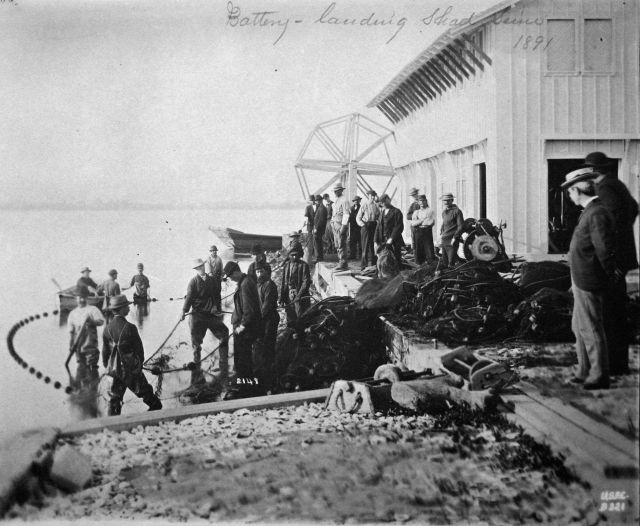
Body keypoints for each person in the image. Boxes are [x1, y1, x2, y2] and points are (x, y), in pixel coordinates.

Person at [563, 168, 620, 390]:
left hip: (589, 279)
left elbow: (604, 248)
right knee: (579, 326)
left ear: (578, 190)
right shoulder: (590, 211)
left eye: (570, 191)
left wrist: (608, 274)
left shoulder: (596, 213)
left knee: (591, 327)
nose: (569, 195)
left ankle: (599, 374)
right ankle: (584, 370)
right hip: (580, 278)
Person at [584, 152, 639, 375]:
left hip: (613, 259)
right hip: (623, 256)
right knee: (617, 309)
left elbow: (609, 222)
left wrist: (610, 248)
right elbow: (634, 208)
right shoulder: (617, 184)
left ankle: (614, 365)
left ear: (594, 171)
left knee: (610, 312)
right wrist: (626, 232)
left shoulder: (605, 188)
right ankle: (619, 363)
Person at [102, 294, 162, 415]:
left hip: (114, 371)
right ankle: (149, 420)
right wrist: (138, 365)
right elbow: (139, 351)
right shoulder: (130, 327)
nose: (129, 308)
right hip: (131, 370)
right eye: (126, 306)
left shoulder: (106, 329)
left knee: (114, 402)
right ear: (121, 309)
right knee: (153, 401)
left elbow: (105, 354)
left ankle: (113, 425)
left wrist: (109, 367)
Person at [182, 258, 229, 385]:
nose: (201, 269)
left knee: (224, 334)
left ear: (204, 266)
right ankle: (197, 372)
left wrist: (217, 308)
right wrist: (184, 311)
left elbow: (216, 295)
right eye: (198, 268)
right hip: (198, 316)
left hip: (211, 315)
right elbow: (189, 297)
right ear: (196, 270)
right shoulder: (193, 282)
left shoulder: (212, 280)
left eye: (202, 266)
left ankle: (224, 365)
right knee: (196, 344)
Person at [224, 261, 262, 397]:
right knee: (241, 360)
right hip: (243, 327)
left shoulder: (245, 284)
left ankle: (246, 390)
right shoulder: (244, 282)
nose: (230, 278)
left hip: (245, 330)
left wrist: (242, 326)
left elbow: (249, 310)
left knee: (243, 360)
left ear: (236, 272)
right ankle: (245, 386)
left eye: (230, 276)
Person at [67, 285, 105, 389]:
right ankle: (81, 392)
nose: (82, 299)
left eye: (84, 297)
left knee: (92, 371)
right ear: (76, 298)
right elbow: (71, 332)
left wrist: (92, 321)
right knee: (80, 370)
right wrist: (71, 346)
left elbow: (101, 322)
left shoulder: (92, 310)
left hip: (90, 347)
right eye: (79, 297)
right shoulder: (73, 314)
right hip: (78, 348)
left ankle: (91, 395)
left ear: (87, 297)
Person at [255, 261, 279, 394]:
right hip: (262, 319)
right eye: (257, 272)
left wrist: (257, 319)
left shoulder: (270, 285)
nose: (259, 274)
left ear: (266, 272)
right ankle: (264, 371)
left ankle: (269, 375)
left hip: (269, 319)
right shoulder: (258, 285)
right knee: (262, 345)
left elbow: (267, 306)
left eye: (261, 271)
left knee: (268, 345)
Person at [280, 242, 311, 325]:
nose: (294, 257)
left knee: (301, 318)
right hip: (288, 296)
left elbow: (306, 282)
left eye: (296, 255)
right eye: (292, 255)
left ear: (300, 254)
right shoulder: (286, 266)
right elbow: (284, 283)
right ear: (289, 255)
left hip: (300, 296)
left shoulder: (304, 266)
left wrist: (298, 296)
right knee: (290, 317)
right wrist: (282, 298)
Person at [375, 193, 404, 266]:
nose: (383, 204)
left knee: (395, 259)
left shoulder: (396, 212)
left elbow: (399, 227)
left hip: (394, 241)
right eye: (381, 203)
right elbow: (378, 226)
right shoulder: (382, 212)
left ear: (388, 200)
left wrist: (391, 239)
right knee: (384, 260)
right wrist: (375, 240)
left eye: (384, 202)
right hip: (383, 240)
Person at [356, 189, 380, 270]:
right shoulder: (364, 205)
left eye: (374, 196)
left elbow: (379, 216)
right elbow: (358, 218)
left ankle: (374, 265)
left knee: (373, 246)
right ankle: (364, 266)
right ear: (368, 196)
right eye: (371, 196)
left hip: (373, 226)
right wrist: (363, 225)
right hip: (366, 227)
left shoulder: (376, 205)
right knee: (365, 246)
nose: (373, 197)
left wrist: (376, 222)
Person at [439, 193, 464, 269]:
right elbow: (443, 225)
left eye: (447, 200)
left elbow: (461, 226)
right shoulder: (444, 212)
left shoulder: (457, 211)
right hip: (444, 240)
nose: (446, 202)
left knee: (451, 262)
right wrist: (441, 235)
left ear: (452, 200)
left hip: (452, 240)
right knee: (445, 261)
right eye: (444, 201)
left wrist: (455, 237)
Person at [330, 182, 351, 270]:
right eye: (334, 191)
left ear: (341, 191)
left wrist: (343, 226)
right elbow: (334, 212)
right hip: (335, 224)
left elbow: (346, 214)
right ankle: (341, 262)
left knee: (342, 244)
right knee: (337, 244)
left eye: (336, 191)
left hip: (340, 225)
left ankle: (343, 264)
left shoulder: (344, 200)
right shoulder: (336, 200)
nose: (335, 193)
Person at [411, 195, 436, 264]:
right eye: (420, 201)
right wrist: (422, 220)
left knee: (429, 252)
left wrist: (418, 221)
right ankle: (420, 267)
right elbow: (413, 223)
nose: (422, 202)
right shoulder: (416, 212)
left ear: (426, 201)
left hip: (427, 232)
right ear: (418, 202)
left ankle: (430, 267)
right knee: (419, 252)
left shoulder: (430, 210)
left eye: (423, 201)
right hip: (418, 233)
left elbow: (430, 222)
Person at [313, 194, 327, 263]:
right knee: (318, 243)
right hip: (318, 229)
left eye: (318, 200)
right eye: (316, 200)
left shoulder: (322, 208)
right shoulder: (319, 207)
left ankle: (319, 258)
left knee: (318, 243)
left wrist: (316, 228)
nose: (317, 202)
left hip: (319, 229)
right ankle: (319, 257)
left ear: (321, 200)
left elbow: (321, 220)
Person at [406, 187, 420, 254]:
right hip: (414, 226)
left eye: (415, 195)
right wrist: (415, 215)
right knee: (414, 243)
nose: (414, 197)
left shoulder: (423, 203)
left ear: (417, 194)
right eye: (412, 196)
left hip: (421, 226)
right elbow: (408, 216)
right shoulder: (413, 205)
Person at [348, 196, 362, 260]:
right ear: (353, 201)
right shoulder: (351, 208)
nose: (356, 201)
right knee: (352, 242)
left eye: (357, 200)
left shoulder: (362, 208)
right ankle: (352, 255)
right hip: (352, 227)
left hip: (359, 227)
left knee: (360, 242)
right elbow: (349, 217)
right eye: (355, 200)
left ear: (359, 201)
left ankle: (361, 255)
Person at [303, 194, 316, 263]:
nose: (312, 202)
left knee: (316, 241)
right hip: (310, 227)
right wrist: (306, 223)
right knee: (310, 242)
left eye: (313, 200)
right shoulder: (308, 207)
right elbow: (306, 217)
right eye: (310, 201)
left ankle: (316, 256)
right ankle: (309, 258)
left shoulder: (318, 206)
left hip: (316, 226)